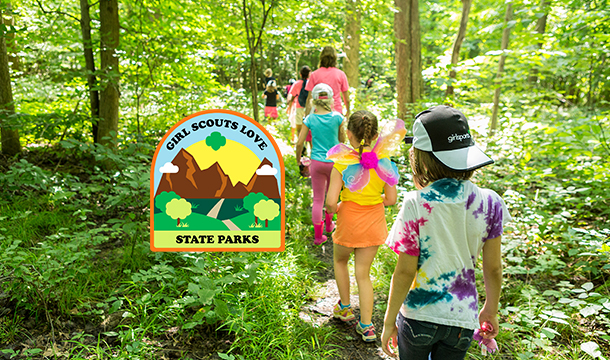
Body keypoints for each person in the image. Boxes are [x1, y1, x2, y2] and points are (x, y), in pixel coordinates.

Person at [381, 105, 510, 359]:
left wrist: (388, 323)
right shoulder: (490, 202)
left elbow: (405, 270)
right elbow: (493, 268)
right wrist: (490, 309)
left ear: (422, 158)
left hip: (418, 316)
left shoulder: (416, 203)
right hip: (462, 320)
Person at [325, 111, 405, 342]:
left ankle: (345, 308)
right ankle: (368, 326)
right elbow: (390, 199)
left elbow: (330, 203)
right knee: (364, 274)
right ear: (376, 135)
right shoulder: (385, 161)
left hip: (349, 220)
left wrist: (337, 207)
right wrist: (372, 200)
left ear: (347, 134)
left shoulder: (340, 163)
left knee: (340, 260)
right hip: (373, 222)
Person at [296, 83, 345, 245]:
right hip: (334, 163)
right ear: (331, 99)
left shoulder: (309, 119)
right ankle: (330, 225)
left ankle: (318, 237)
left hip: (316, 163)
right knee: (332, 196)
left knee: (318, 199)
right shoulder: (338, 117)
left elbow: (300, 143)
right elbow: (342, 140)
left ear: (314, 101)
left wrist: (299, 160)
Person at [305, 46, 350, 119]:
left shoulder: (314, 74)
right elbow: (346, 98)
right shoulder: (341, 74)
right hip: (336, 112)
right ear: (335, 58)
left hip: (319, 112)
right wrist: (348, 111)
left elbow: (309, 98)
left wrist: (307, 115)